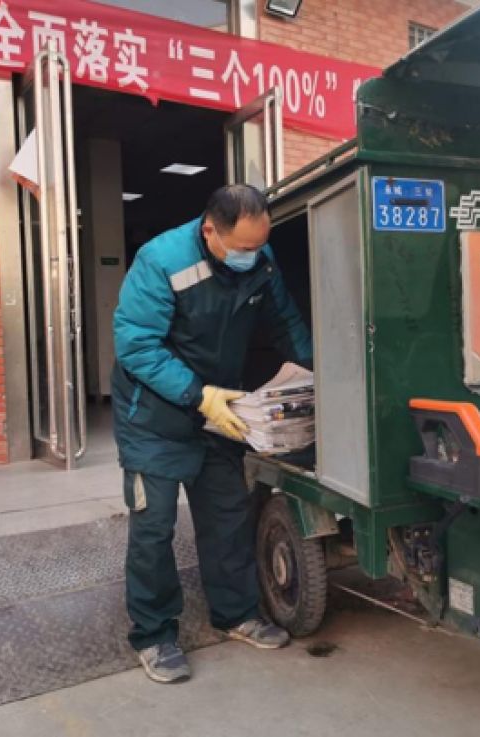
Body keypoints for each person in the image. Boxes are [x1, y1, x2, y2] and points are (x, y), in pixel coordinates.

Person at [111, 184, 313, 684]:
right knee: (154, 527)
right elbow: (136, 346)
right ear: (210, 231)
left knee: (227, 515)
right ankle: (155, 635)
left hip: (221, 411)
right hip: (154, 417)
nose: (253, 255)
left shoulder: (259, 258)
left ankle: (236, 613)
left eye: (260, 244)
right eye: (243, 247)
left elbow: (284, 321)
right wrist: (198, 395)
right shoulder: (161, 261)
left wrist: (314, 373)